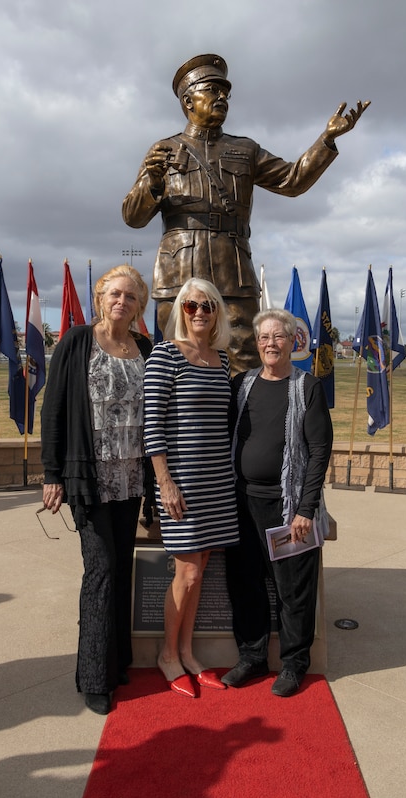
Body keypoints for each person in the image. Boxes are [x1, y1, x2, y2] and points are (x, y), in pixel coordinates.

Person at [123, 53, 370, 372]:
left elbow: (292, 180)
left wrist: (327, 139)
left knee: (244, 360)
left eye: (225, 92)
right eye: (212, 89)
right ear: (188, 100)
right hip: (179, 269)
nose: (222, 97)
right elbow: (133, 216)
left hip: (233, 267)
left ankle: (246, 423)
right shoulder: (164, 150)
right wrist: (152, 181)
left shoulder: (245, 150)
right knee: (179, 360)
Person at [40, 265, 152, 715]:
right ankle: (94, 675)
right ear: (101, 297)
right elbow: (54, 410)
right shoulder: (77, 341)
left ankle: (118, 660)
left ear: (138, 304)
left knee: (121, 568)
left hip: (131, 478)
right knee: (101, 571)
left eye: (130, 296)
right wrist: (52, 474)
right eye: (114, 294)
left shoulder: (144, 346)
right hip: (90, 477)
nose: (121, 302)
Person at [222, 308, 333, 697]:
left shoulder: (308, 387)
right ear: (257, 343)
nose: (271, 343)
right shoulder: (244, 383)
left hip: (288, 509)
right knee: (246, 585)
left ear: (292, 341)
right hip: (242, 503)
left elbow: (319, 451)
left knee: (292, 591)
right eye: (264, 337)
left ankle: (293, 663)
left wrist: (305, 508)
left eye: (278, 337)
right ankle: (251, 658)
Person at [143, 277, 238, 697]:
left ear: (217, 313)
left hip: (218, 482)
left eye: (208, 306)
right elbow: (153, 425)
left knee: (200, 574)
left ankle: (187, 651)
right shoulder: (166, 355)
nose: (200, 312)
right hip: (181, 483)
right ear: (180, 311)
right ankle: (167, 654)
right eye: (191, 306)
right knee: (189, 570)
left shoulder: (222, 361)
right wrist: (164, 482)